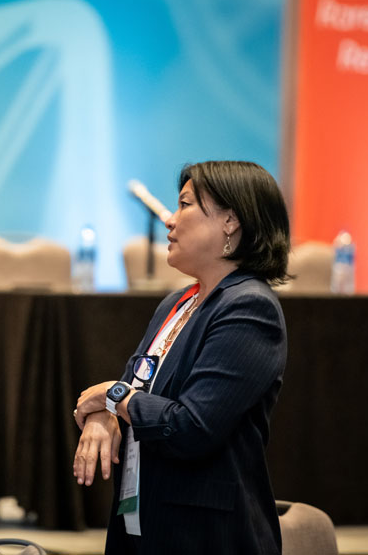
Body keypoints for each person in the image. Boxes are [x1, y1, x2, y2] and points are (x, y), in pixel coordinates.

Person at [73, 161, 290, 554]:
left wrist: (112, 395)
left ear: (230, 221)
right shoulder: (177, 302)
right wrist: (105, 416)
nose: (170, 220)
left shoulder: (249, 307)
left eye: (185, 205)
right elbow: (137, 390)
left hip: (206, 535)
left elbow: (191, 427)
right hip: (143, 520)